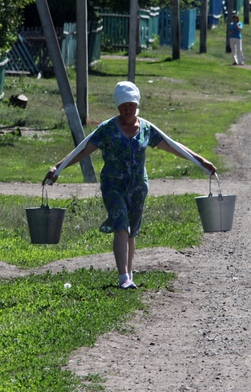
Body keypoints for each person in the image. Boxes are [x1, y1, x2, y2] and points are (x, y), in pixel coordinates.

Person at [43, 81, 217, 289]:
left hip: (138, 188)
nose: (127, 109)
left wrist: (200, 161)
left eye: (131, 105)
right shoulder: (107, 130)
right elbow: (81, 151)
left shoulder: (146, 129)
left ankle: (129, 274)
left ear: (137, 105)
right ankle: (123, 277)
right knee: (121, 226)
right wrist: (58, 168)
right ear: (117, 106)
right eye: (123, 105)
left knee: (132, 231)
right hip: (113, 186)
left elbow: (173, 146)